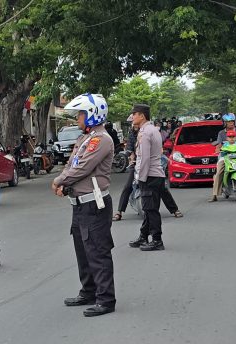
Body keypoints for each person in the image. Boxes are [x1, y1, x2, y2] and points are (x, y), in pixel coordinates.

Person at [52, 93, 116, 317]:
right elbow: (72, 163)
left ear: (92, 115)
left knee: (98, 251)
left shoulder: (101, 140)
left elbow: (83, 168)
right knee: (83, 250)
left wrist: (60, 181)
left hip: (93, 205)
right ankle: (89, 291)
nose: (77, 118)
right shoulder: (85, 139)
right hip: (79, 204)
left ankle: (106, 299)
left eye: (81, 113)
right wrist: (64, 182)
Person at [113, 123, 183, 221]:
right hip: (137, 165)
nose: (136, 126)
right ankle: (119, 212)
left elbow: (158, 149)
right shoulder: (132, 135)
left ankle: (174, 209)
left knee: (162, 187)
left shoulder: (150, 132)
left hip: (152, 165)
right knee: (128, 186)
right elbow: (130, 151)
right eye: (134, 125)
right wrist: (132, 159)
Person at [128, 104, 166, 251]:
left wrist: (140, 178)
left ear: (142, 116)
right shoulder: (152, 129)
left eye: (134, 114)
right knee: (149, 208)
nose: (132, 117)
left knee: (150, 209)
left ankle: (157, 240)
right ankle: (144, 235)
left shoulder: (145, 133)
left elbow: (144, 159)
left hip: (149, 175)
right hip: (155, 174)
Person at [208, 113, 236, 202]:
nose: (231, 123)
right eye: (229, 122)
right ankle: (214, 194)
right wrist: (218, 149)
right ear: (225, 123)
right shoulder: (221, 133)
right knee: (219, 171)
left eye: (232, 121)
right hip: (225, 156)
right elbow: (219, 144)